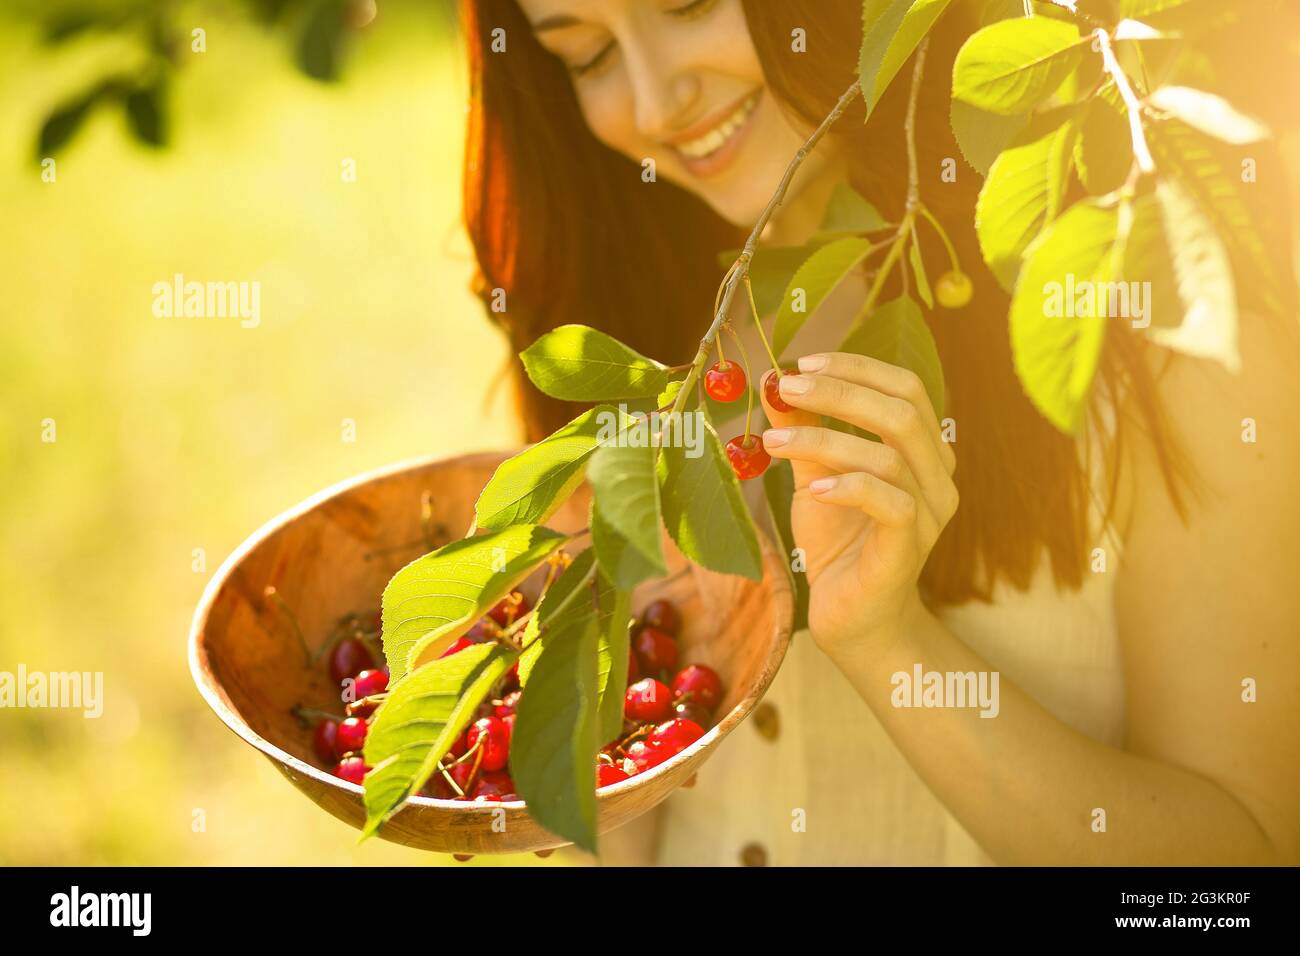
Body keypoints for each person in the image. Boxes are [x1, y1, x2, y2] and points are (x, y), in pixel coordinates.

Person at [460, 0, 1300, 865]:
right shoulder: (629, 314)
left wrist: (889, 643)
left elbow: (1238, 873)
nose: (654, 104)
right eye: (588, 55)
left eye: (690, 4)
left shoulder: (1160, 315)